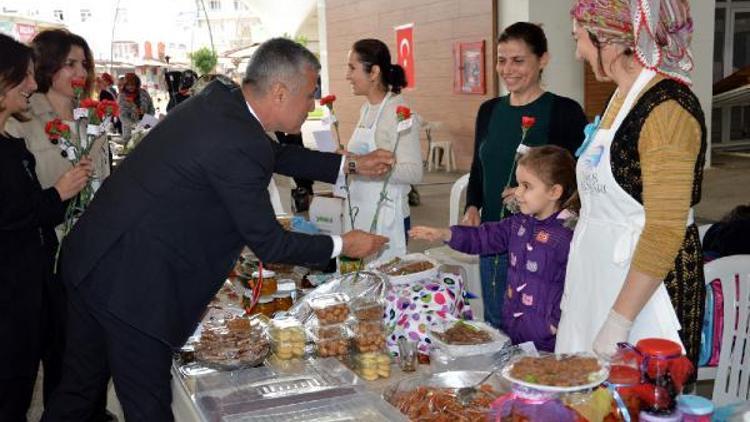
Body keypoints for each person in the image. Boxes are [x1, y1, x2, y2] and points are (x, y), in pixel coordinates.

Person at [43, 37, 393, 421]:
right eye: (310, 95)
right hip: (133, 287)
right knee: (147, 406)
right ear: (279, 92)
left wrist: (349, 165)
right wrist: (343, 244)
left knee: (78, 393)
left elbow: (270, 153)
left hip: (96, 257)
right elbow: (270, 243)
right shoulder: (237, 138)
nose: (312, 105)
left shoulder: (224, 101)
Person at [557, 0, 707, 367]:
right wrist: (572, 208)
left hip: (646, 293)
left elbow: (665, 229)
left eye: (580, 40)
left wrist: (619, 321)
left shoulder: (668, 111)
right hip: (599, 276)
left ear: (610, 40)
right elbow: (617, 177)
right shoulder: (622, 96)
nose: (577, 52)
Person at [4, 28, 112, 414]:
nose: (79, 72)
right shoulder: (23, 121)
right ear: (47, 67)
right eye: (69, 64)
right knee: (60, 357)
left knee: (93, 354)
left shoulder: (96, 118)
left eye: (84, 63)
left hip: (93, 254)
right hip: (46, 258)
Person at [463, 22, 587, 329]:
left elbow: (576, 184)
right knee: (495, 322)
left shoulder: (563, 111)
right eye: (502, 60)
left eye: (518, 60)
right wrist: (473, 206)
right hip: (495, 237)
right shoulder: (489, 110)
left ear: (542, 59)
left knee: (536, 330)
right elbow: (479, 167)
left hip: (541, 245)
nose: (508, 69)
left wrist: (528, 195)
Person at [410, 146, 577, 352]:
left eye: (527, 186)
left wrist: (554, 324)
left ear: (554, 192)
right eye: (518, 184)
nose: (517, 192)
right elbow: (484, 237)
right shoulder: (519, 223)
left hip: (547, 342)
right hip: (515, 330)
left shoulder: (566, 236)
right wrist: (446, 234)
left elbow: (577, 285)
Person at [344, 38, 422, 260]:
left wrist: (367, 167)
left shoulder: (398, 110)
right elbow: (361, 160)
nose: (347, 75)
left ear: (374, 72)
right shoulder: (366, 108)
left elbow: (414, 172)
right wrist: (351, 160)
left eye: (352, 68)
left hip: (388, 220)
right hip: (360, 212)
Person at [118, 72, 155, 138]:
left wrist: (148, 119)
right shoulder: (122, 96)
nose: (131, 87)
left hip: (145, 128)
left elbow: (151, 108)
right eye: (128, 85)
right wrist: (135, 125)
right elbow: (122, 116)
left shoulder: (144, 93)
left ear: (137, 84)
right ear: (125, 85)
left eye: (133, 84)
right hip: (129, 132)